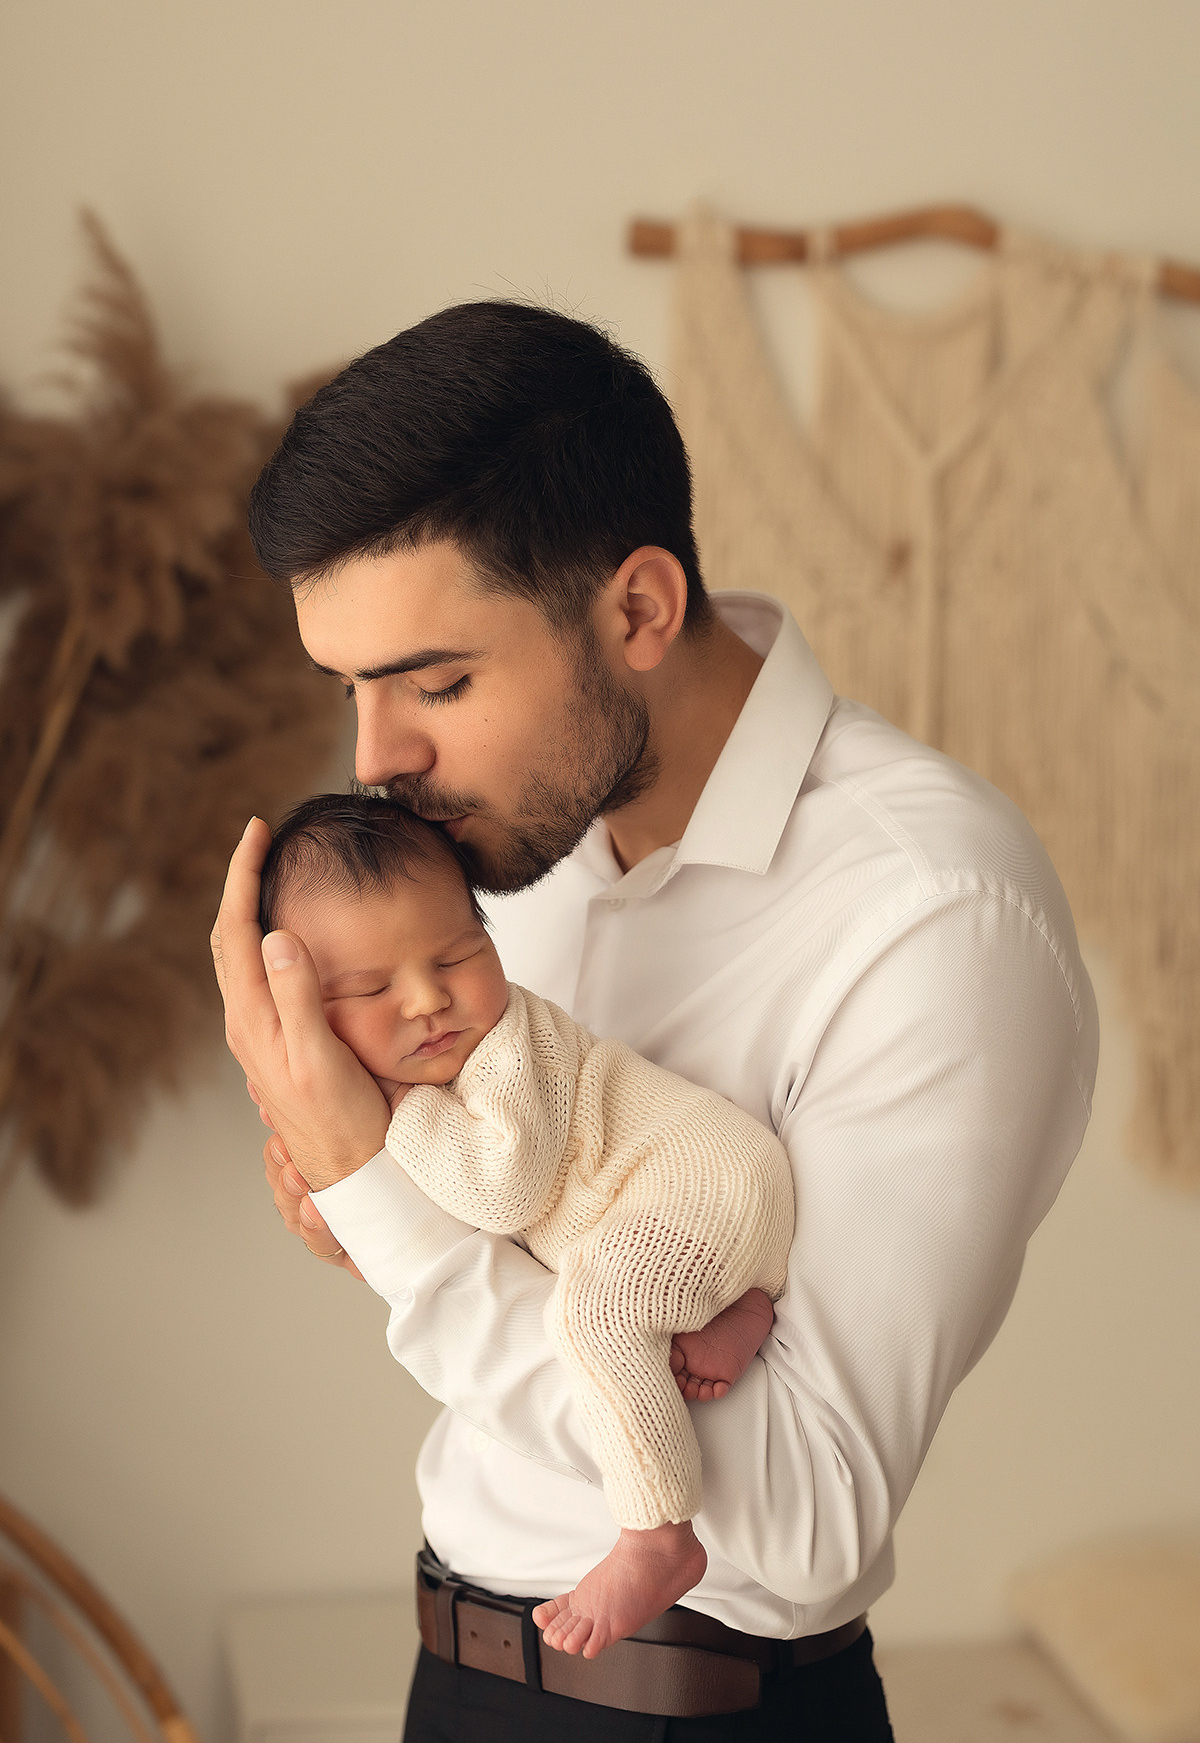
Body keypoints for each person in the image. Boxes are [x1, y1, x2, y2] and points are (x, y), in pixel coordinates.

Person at [212, 300, 1098, 1742]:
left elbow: (804, 1515)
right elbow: (528, 1245)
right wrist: (364, 1203)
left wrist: (387, 1198)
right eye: (354, 689)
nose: (379, 759)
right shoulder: (498, 856)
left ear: (636, 610)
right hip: (455, 1677)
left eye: (437, 681)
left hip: (692, 1710)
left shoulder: (933, 910)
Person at [256, 790, 793, 1658]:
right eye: (370, 987)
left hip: (696, 1180)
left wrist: (381, 1118)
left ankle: (659, 1536)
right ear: (308, 1018)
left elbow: (502, 1191)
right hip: (695, 1215)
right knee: (600, 1296)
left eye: (457, 954)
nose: (427, 999)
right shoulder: (448, 1066)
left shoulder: (510, 1043)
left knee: (591, 1317)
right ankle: (739, 1310)